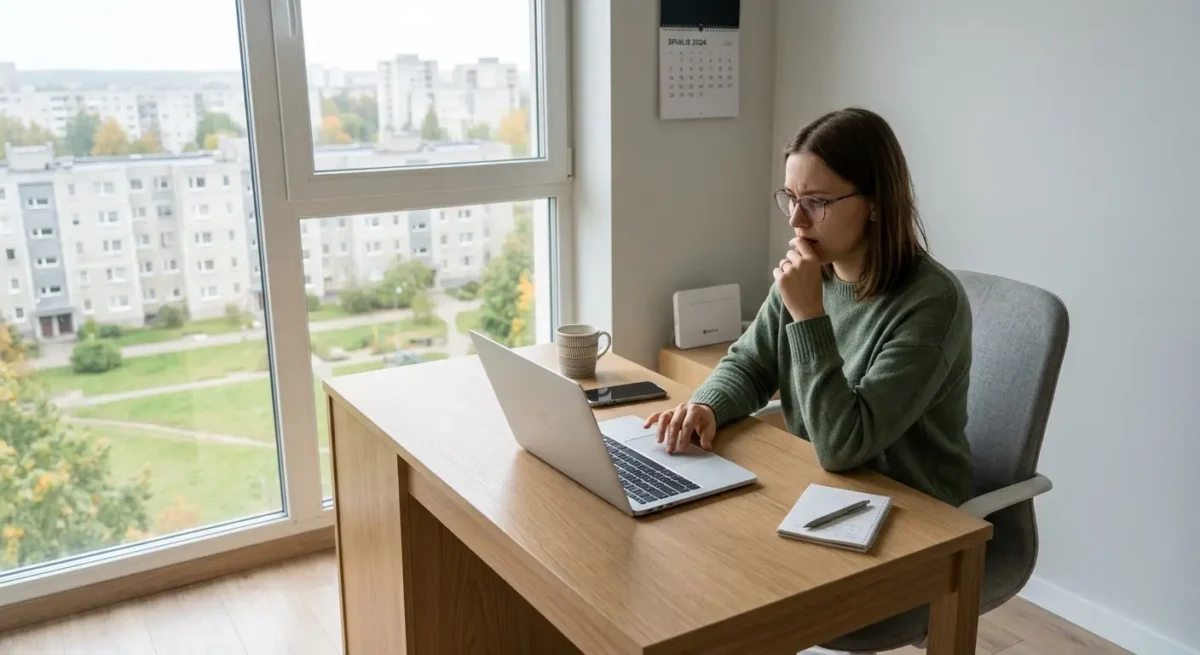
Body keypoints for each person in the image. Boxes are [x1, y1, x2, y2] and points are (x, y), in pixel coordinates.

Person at [644, 108, 973, 506]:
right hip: (821, 488)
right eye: (791, 198)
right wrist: (707, 406)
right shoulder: (811, 270)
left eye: (816, 202)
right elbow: (750, 365)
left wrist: (808, 315)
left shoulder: (932, 304)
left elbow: (844, 445)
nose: (797, 220)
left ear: (876, 203)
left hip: (916, 514)